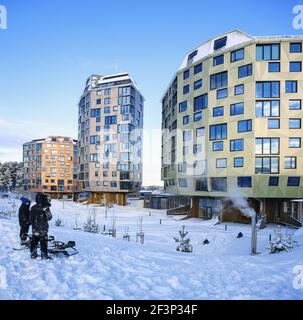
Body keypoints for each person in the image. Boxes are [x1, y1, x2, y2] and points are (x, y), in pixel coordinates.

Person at [30, 193, 52, 259]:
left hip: (34, 228)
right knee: (43, 241)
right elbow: (49, 217)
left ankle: (33, 254)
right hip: (43, 228)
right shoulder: (45, 208)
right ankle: (44, 255)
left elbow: (30, 218)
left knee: (34, 240)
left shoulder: (33, 207)